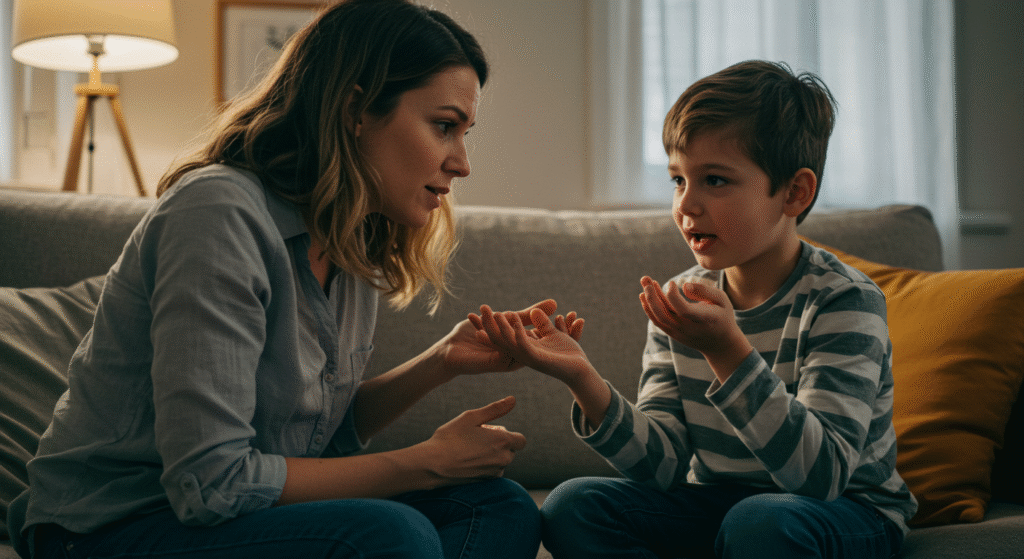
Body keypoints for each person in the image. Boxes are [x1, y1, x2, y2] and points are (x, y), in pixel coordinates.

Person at [8, 1, 567, 557]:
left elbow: (314, 442)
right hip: (106, 527)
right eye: (444, 127)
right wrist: (422, 464)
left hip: (222, 517)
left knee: (499, 506)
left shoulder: (350, 234)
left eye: (464, 132)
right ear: (357, 109)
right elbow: (213, 485)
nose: (461, 162)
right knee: (394, 535)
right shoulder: (218, 213)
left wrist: (442, 361)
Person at [473, 60, 918, 559]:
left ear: (794, 192)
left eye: (715, 180)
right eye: (678, 180)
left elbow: (821, 477)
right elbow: (660, 466)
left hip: (844, 513)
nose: (687, 205)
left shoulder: (843, 300)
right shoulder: (681, 300)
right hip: (721, 505)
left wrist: (727, 350)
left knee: (763, 521)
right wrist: (583, 379)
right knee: (573, 505)